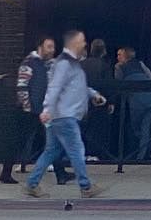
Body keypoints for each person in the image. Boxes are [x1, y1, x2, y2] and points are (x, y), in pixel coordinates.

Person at [23, 29, 105, 199]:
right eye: (82, 41)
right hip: (65, 115)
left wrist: (93, 94)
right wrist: (47, 109)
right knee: (76, 149)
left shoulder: (67, 63)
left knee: (51, 151)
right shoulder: (65, 64)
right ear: (74, 43)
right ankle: (85, 186)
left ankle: (32, 183)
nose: (84, 44)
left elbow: (75, 86)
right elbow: (54, 88)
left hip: (59, 115)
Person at [3, 37, 66, 185]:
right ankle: (5, 173)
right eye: (49, 47)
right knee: (20, 141)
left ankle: (61, 174)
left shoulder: (47, 65)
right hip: (29, 111)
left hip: (42, 109)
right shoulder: (29, 63)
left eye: (53, 47)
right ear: (40, 47)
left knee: (51, 141)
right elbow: (22, 86)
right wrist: (27, 106)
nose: (52, 50)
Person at [116, 46, 151, 161]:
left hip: (136, 101)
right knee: (145, 128)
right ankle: (149, 152)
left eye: (119, 55)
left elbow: (118, 84)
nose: (117, 57)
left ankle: (147, 153)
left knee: (136, 129)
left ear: (125, 56)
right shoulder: (141, 64)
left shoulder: (120, 68)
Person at [80, 38, 114, 163]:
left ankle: (82, 152)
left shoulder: (81, 65)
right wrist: (110, 101)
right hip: (100, 101)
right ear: (103, 51)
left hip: (82, 100)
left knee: (83, 128)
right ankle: (94, 153)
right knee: (97, 129)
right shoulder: (104, 66)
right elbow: (108, 85)